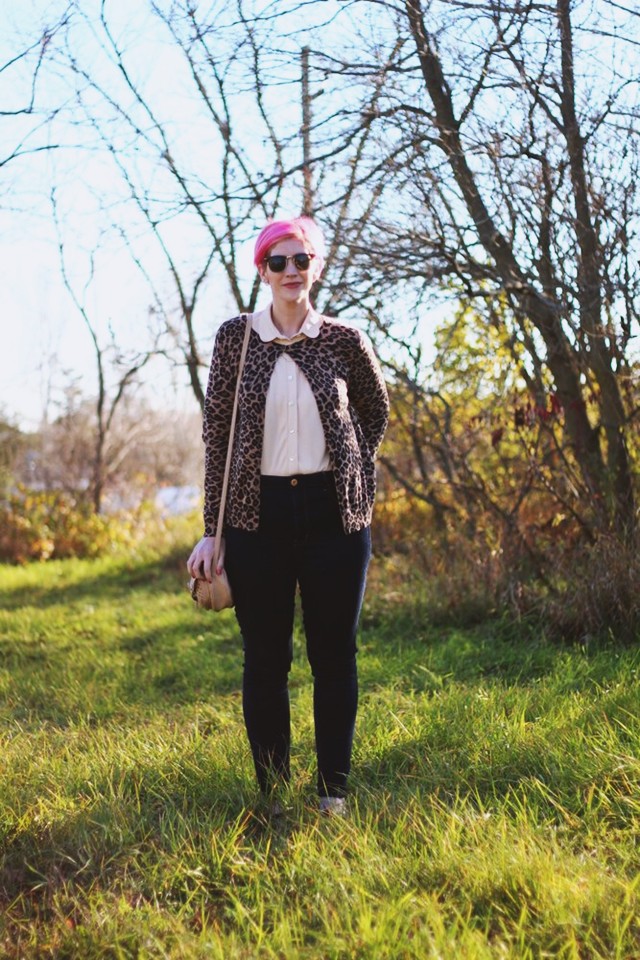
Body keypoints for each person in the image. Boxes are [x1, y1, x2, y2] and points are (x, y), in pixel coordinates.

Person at [187, 216, 389, 816]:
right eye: (278, 262)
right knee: (266, 658)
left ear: (316, 266)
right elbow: (217, 434)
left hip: (335, 517)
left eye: (301, 259)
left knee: (335, 656)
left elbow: (374, 415)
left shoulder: (345, 339)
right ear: (262, 271)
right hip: (257, 517)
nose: (291, 271)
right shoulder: (234, 339)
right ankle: (272, 796)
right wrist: (211, 529)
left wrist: (350, 471)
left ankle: (333, 794)